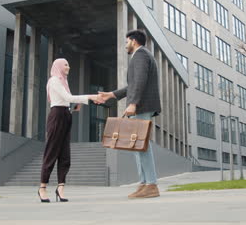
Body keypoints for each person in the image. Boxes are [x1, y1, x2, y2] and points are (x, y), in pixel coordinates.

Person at [100, 29, 161, 198]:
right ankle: (144, 183)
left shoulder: (140, 55)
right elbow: (132, 85)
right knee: (137, 146)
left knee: (142, 145)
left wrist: (133, 103)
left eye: (126, 42)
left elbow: (140, 80)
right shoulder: (142, 56)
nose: (125, 45)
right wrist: (112, 95)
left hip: (142, 105)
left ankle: (151, 184)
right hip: (142, 104)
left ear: (134, 41)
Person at [38, 58, 103, 203]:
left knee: (65, 154)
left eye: (68, 64)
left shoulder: (63, 81)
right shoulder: (54, 80)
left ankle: (60, 187)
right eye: (66, 64)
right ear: (59, 66)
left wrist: (75, 105)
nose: (68, 67)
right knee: (51, 152)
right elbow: (67, 97)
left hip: (66, 115)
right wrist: (90, 97)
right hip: (57, 116)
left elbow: (66, 100)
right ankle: (42, 187)